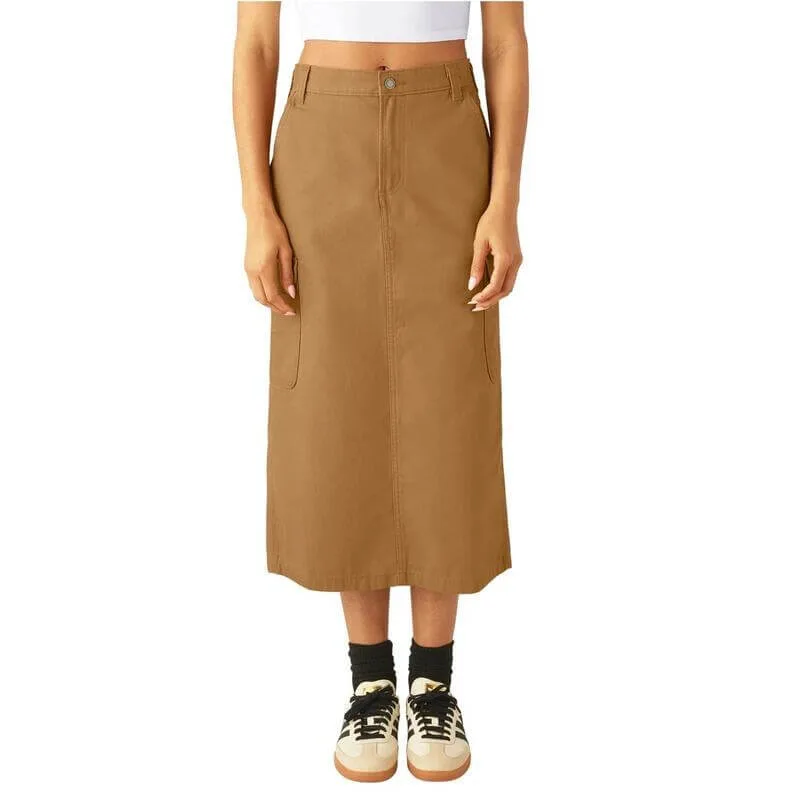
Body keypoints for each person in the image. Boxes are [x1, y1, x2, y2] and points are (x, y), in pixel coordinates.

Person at [233, 0, 527, 782]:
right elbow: (256, 41)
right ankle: (370, 683)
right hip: (321, 131)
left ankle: (433, 682)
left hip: (446, 131)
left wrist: (504, 201)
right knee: (338, 400)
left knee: (447, 400)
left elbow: (505, 40)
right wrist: (257, 207)